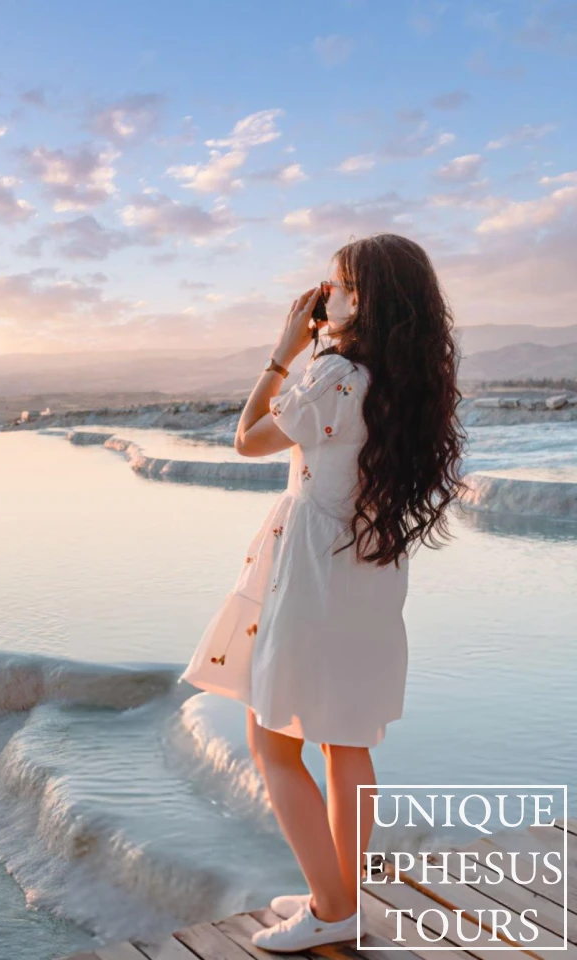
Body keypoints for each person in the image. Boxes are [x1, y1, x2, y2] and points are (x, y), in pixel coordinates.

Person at [178, 233, 467, 952]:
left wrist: (283, 351)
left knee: (271, 740)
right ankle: (334, 893)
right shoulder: (403, 381)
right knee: (343, 737)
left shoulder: (333, 374)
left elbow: (246, 438)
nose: (322, 294)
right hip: (369, 571)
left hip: (315, 573)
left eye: (334, 284)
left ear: (362, 299)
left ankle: (333, 907)